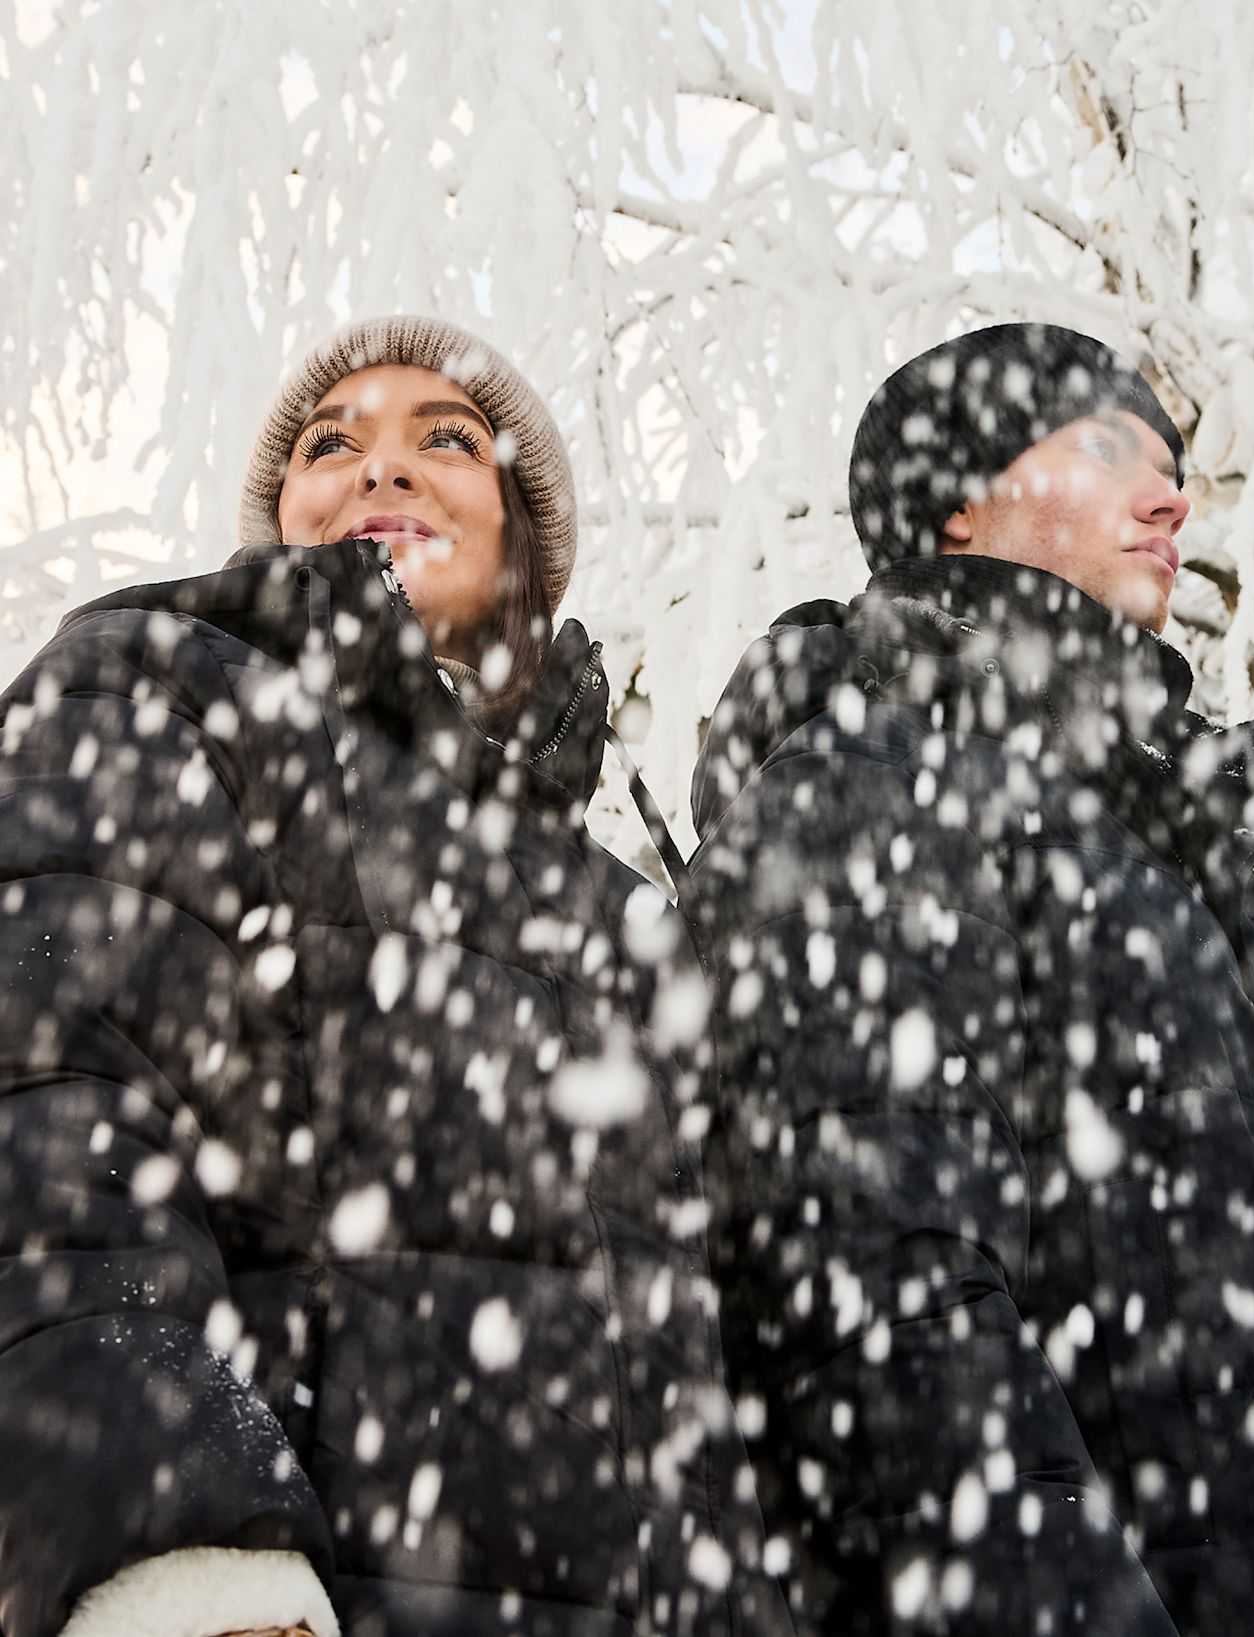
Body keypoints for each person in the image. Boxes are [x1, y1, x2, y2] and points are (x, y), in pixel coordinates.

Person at [0, 315, 786, 1637]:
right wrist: (189, 1570)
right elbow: (48, 1111)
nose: (380, 466)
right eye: (329, 445)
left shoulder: (624, 912)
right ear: (282, 520)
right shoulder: (154, 688)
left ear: (522, 534)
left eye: (448, 438)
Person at [689, 322, 1254, 1634]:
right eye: (1109, 449)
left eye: (1174, 467)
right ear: (957, 504)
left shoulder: (1194, 864)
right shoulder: (874, 774)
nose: (1169, 498)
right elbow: (878, 1311)